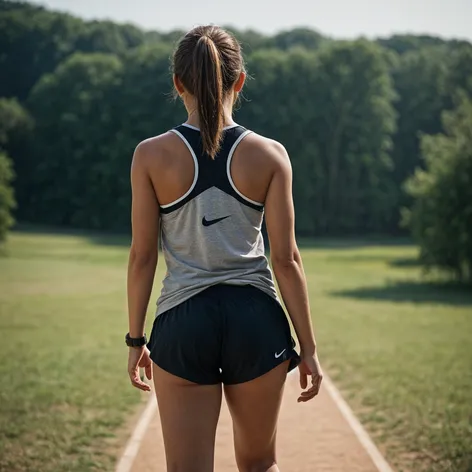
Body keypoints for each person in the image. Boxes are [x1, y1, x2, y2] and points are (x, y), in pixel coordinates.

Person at [126, 24, 323, 472]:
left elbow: (142, 257)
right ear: (240, 80)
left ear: (178, 85)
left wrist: (135, 339)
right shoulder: (271, 155)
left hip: (183, 322)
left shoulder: (150, 155)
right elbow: (286, 260)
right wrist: (308, 347)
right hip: (256, 321)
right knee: (259, 464)